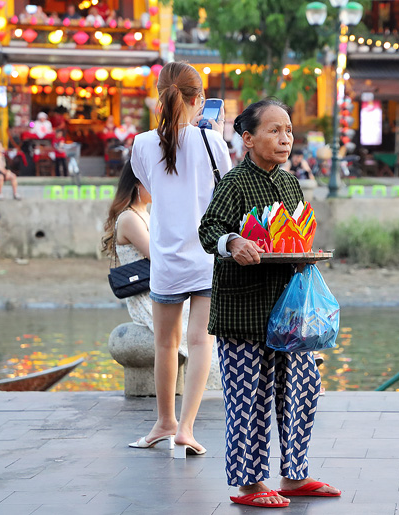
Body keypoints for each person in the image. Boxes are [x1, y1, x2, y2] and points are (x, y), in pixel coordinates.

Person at [199, 99, 341, 508]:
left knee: (302, 390)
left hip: (289, 315)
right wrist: (235, 241)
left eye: (289, 132)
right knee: (250, 399)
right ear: (247, 139)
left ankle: (294, 476)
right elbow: (209, 229)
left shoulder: (289, 181)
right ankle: (247, 484)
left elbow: (293, 236)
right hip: (244, 313)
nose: (285, 139)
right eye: (274, 131)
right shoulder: (235, 182)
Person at [129, 61, 231, 457]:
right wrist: (215, 137)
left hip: (167, 261)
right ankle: (186, 428)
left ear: (159, 96)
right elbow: (223, 187)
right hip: (206, 257)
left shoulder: (141, 144)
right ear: (198, 100)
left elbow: (151, 184)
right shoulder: (212, 143)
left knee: (164, 344)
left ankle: (164, 421)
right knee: (200, 342)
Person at [100, 161, 223, 392]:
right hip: (147, 295)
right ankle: (213, 383)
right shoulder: (129, 218)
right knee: (199, 327)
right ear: (138, 184)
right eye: (153, 183)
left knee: (207, 317)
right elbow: (158, 256)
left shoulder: (145, 214)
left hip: (163, 285)